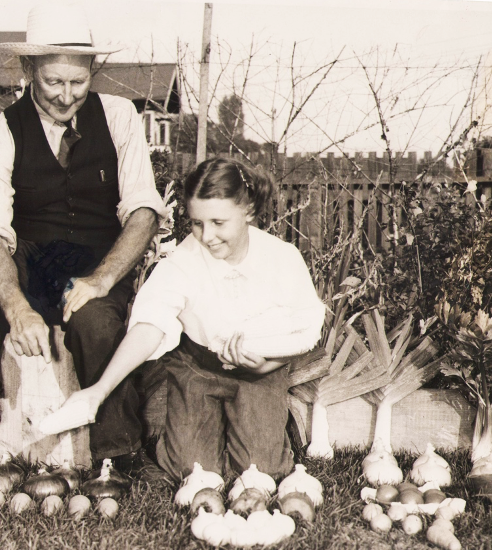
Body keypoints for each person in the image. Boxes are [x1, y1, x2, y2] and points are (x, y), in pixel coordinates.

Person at [0, 3, 167, 496]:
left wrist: (103, 280)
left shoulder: (120, 118)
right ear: (28, 71)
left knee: (99, 321)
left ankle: (123, 454)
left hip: (94, 263)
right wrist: (19, 308)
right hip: (30, 260)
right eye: (53, 83)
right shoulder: (1, 134)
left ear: (92, 73)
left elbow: (143, 211)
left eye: (78, 82)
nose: (67, 95)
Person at [62, 157, 326, 481]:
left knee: (262, 472)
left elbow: (308, 328)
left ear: (248, 211)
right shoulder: (184, 259)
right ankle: (193, 420)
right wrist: (100, 390)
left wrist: (266, 366)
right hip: (198, 369)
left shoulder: (282, 258)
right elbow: (150, 323)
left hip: (260, 373)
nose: (207, 235)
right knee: (193, 471)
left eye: (218, 222)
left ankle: (268, 426)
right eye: (197, 223)